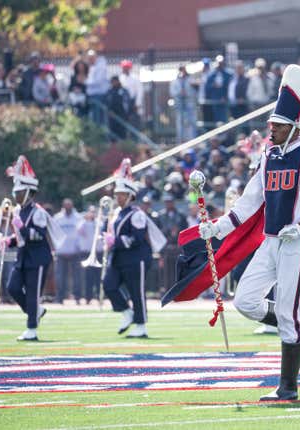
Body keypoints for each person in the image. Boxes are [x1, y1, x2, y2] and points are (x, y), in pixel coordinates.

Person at [199, 65, 300, 401]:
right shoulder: (268, 158)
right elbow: (249, 201)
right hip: (272, 240)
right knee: (246, 301)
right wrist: (218, 228)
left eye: (278, 125)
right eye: (271, 124)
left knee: (286, 314)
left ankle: (288, 388)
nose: (271, 129)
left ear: (294, 127)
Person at [102, 159, 166, 338]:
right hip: (118, 258)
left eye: (121, 194)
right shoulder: (115, 213)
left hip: (136, 258)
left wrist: (115, 241)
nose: (118, 197)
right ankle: (127, 313)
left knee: (136, 291)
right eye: (116, 194)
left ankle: (141, 325)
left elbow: (136, 239)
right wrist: (105, 237)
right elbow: (108, 233)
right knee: (109, 285)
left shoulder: (137, 214)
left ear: (130, 195)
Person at [4, 155, 63, 341]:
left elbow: (37, 235)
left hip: (38, 257)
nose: (16, 195)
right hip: (23, 256)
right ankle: (36, 311)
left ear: (29, 192)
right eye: (15, 192)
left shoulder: (38, 212)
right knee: (12, 287)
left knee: (32, 293)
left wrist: (21, 227)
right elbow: (21, 237)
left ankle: (32, 329)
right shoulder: (18, 211)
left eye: (20, 192)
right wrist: (9, 241)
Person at [53, 199, 82, 304]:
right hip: (61, 252)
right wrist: (56, 248)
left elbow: (81, 235)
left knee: (77, 277)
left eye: (69, 205)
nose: (68, 207)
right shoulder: (57, 218)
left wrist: (78, 248)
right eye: (66, 205)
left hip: (75, 252)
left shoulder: (79, 218)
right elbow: (54, 234)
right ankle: (60, 298)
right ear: (63, 206)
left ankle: (77, 298)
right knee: (60, 277)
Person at [170, 65, 197, 143]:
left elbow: (195, 92)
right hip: (179, 106)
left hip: (189, 105)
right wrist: (179, 93)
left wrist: (188, 93)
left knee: (190, 123)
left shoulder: (190, 80)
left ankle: (192, 140)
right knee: (180, 123)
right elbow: (172, 92)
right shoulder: (175, 81)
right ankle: (180, 140)